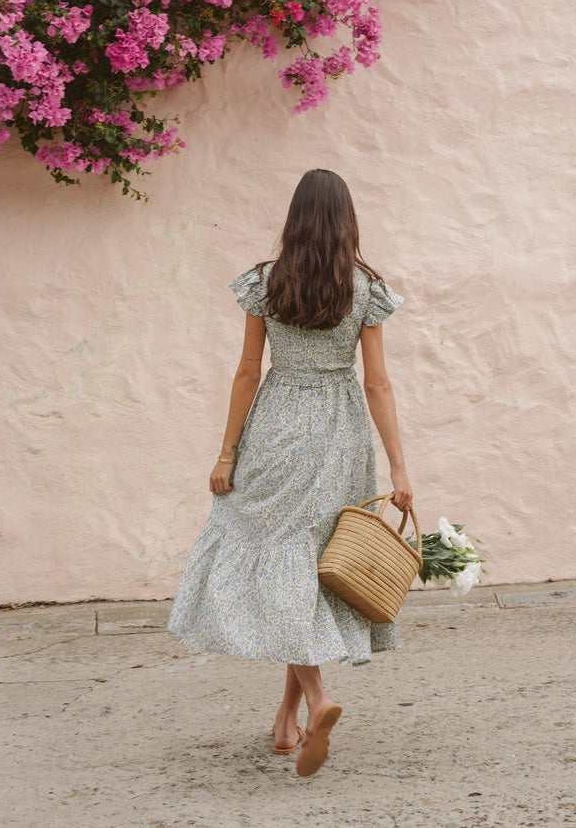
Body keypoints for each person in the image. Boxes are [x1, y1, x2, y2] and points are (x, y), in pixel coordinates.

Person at [167, 168, 413, 778]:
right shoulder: (365, 289)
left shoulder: (265, 282)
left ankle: (316, 701)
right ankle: (285, 724)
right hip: (340, 432)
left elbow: (247, 372)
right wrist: (402, 469)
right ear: (346, 220)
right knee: (305, 564)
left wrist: (227, 453)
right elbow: (377, 383)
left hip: (277, 426)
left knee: (281, 561)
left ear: (295, 219)